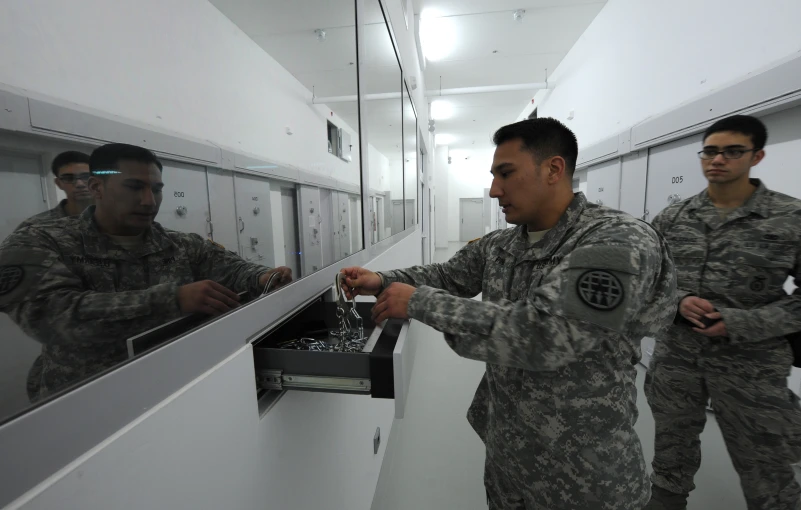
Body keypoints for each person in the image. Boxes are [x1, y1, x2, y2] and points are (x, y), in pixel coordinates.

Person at [341, 118, 678, 510]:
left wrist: (420, 302)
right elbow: (447, 275)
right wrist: (381, 279)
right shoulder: (501, 244)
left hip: (584, 472)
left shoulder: (618, 241)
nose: (494, 190)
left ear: (554, 169)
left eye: (506, 173)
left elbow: (545, 335)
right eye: (493, 175)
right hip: (508, 456)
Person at [0, 143, 292, 401]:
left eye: (156, 189)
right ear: (96, 187)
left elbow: (234, 270)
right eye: (134, 187)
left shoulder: (180, 244)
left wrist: (263, 278)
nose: (149, 201)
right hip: (86, 402)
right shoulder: (41, 239)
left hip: (177, 390)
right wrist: (173, 300)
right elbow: (49, 315)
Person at [644, 115, 801, 510]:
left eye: (733, 152)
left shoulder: (790, 218)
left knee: (764, 458)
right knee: (671, 443)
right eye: (711, 151)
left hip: (753, 364)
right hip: (678, 356)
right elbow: (647, 282)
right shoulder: (672, 218)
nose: (718, 160)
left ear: (757, 156)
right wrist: (678, 300)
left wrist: (741, 321)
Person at [16, 151, 94, 229]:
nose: (79, 184)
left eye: (86, 176)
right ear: (59, 183)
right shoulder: (35, 226)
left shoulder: (105, 220)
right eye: (68, 178)